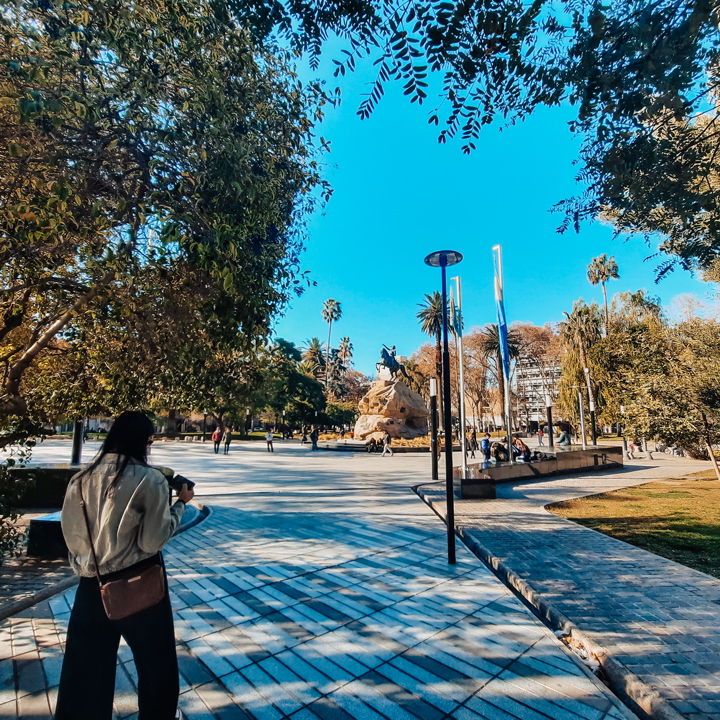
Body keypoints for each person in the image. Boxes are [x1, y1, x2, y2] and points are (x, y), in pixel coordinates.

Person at [56, 411, 193, 720]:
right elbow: (151, 541)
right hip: (139, 585)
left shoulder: (80, 479)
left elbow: (72, 535)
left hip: (92, 586)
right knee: (156, 665)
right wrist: (181, 503)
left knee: (85, 670)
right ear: (143, 441)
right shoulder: (150, 479)